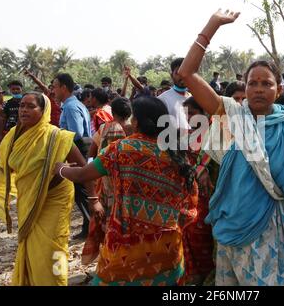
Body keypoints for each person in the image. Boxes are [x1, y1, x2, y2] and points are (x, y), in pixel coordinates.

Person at [177, 9, 284, 286]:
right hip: (229, 222)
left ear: (279, 88)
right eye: (252, 83)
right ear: (244, 87)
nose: (259, 89)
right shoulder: (232, 115)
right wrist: (212, 25)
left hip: (267, 226)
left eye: (266, 83)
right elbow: (186, 73)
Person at [53, 96, 198, 286]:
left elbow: (82, 175)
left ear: (136, 121)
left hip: (126, 251)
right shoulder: (176, 153)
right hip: (168, 249)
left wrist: (60, 168)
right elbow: (189, 204)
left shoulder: (122, 149)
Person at [0, 92, 90, 285]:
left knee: (54, 249)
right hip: (29, 200)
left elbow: (85, 170)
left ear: (44, 111)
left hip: (55, 200)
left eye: (30, 106)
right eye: (22, 106)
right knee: (33, 247)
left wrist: (94, 200)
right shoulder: (12, 136)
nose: (23, 110)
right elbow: (5, 169)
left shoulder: (57, 137)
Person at [82, 97, 132, 265]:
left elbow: (91, 152)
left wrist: (93, 172)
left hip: (104, 182)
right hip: (126, 184)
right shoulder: (132, 130)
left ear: (113, 112)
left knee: (106, 221)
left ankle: (109, 258)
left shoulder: (104, 128)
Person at [53, 73, 92, 240]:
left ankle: (92, 227)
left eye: (55, 87)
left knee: (82, 191)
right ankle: (88, 226)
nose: (53, 90)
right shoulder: (74, 104)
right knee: (83, 190)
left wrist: (58, 136)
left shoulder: (70, 107)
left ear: (63, 88)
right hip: (80, 148)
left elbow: (76, 133)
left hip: (77, 149)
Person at [181, 97, 216, 285]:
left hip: (213, 194)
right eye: (186, 115)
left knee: (206, 232)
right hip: (192, 194)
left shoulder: (215, 135)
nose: (189, 118)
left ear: (205, 114)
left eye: (192, 114)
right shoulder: (187, 136)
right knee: (192, 231)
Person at [158, 58, 192, 130]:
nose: (182, 76)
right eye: (177, 73)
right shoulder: (162, 99)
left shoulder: (193, 98)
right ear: (171, 75)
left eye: (185, 72)